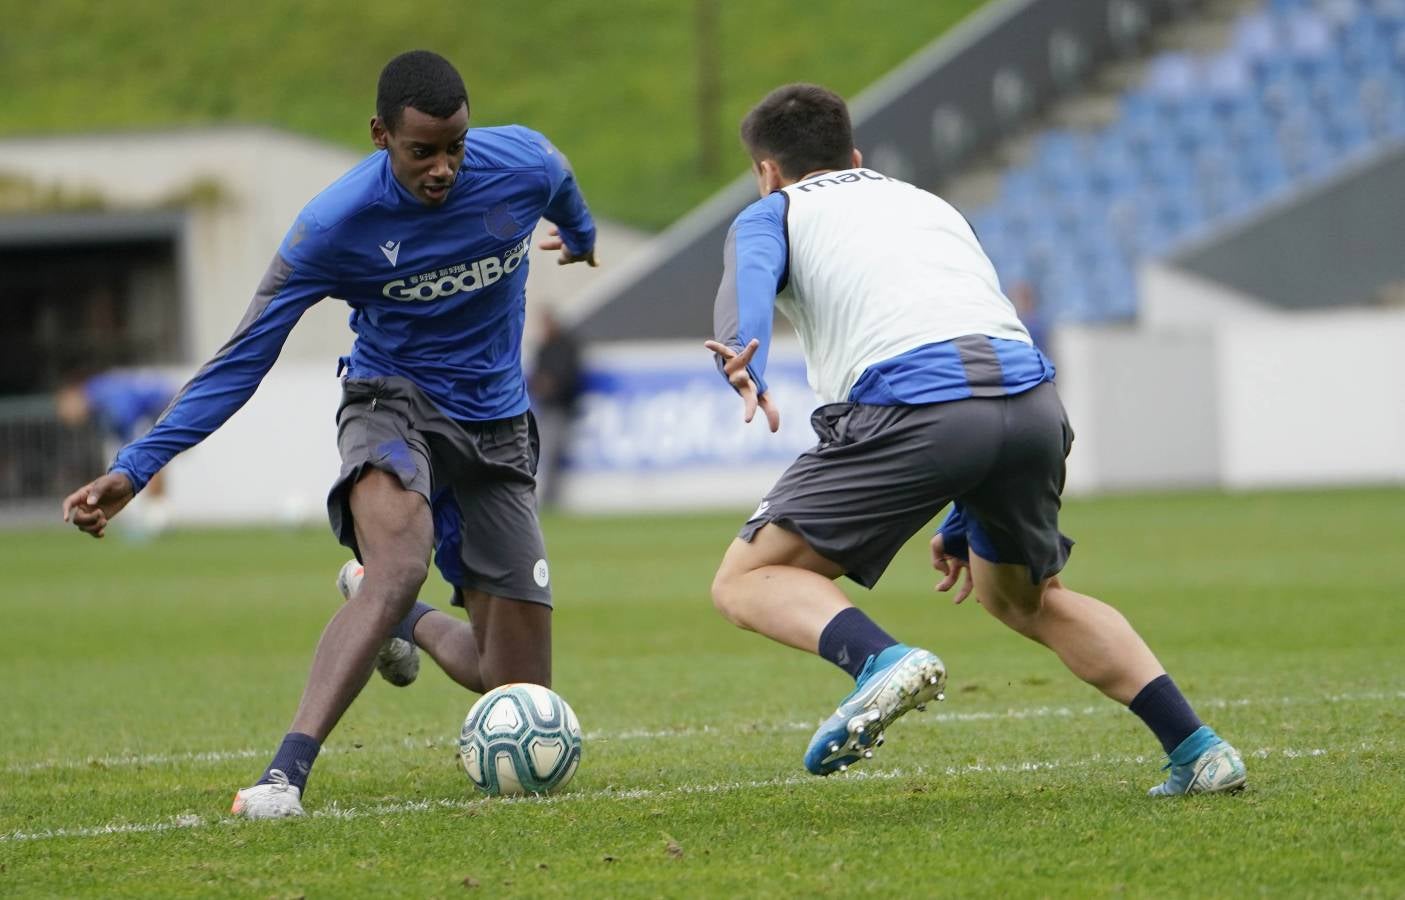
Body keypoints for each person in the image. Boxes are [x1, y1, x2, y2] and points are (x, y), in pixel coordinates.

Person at [61, 50, 599, 818]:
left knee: (511, 686)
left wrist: (579, 233)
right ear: (380, 135)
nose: (443, 168)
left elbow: (561, 177)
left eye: (455, 147)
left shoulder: (521, 162)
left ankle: (395, 613)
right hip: (391, 404)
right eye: (422, 152)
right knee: (401, 560)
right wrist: (136, 467)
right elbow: (241, 359)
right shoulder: (333, 225)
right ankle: (285, 775)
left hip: (497, 426)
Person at [705, 83, 1244, 795]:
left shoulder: (774, 209)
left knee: (745, 579)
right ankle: (1199, 751)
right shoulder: (929, 205)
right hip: (1031, 405)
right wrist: (969, 503)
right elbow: (963, 319)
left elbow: (749, 276)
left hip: (915, 406)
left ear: (768, 171)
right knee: (1023, 599)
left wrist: (742, 353)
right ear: (856, 157)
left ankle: (878, 661)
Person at [528, 308, 583, 507]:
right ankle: (545, 495)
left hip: (560, 407)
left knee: (552, 452)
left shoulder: (565, 347)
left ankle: (549, 497)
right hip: (546, 407)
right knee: (546, 452)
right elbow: (535, 376)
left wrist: (551, 386)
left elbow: (570, 376)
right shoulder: (545, 347)